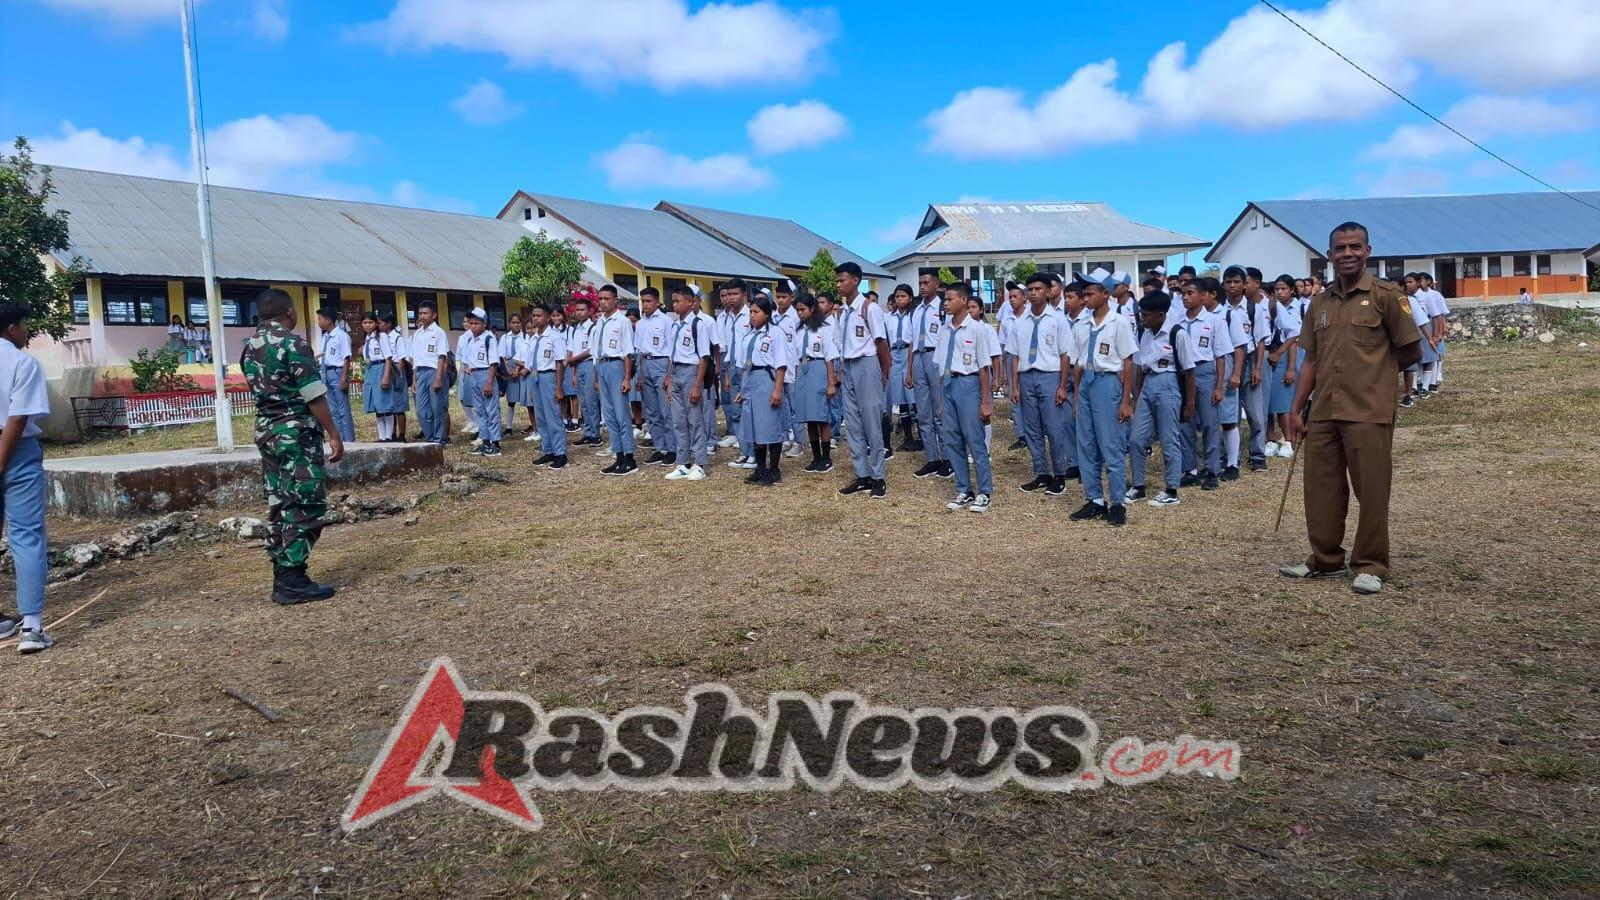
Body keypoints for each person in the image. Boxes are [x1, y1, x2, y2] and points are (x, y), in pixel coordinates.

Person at [1281, 222, 1422, 595]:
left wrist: (1376, 376)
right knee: (1321, 489)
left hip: (1368, 410)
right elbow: (1311, 360)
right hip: (1324, 410)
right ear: (1329, 255)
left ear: (1367, 251)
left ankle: (1371, 564)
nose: (1347, 253)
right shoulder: (1319, 303)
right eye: (1340, 248)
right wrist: (1296, 409)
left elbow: (1411, 350)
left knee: (1371, 491)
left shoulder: (1387, 296)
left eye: (1355, 246)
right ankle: (1325, 560)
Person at [239, 289, 346, 605]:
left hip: (266, 433)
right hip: (295, 434)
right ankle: (292, 578)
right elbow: (313, 395)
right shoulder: (293, 344)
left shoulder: (249, 348)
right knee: (306, 502)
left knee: (280, 501)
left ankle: (282, 574)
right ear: (289, 312)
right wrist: (334, 434)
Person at [0, 303, 54, 652]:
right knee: (26, 535)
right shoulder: (23, 362)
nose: (26, 332)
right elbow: (18, 418)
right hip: (16, 452)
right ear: (11, 328)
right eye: (24, 326)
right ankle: (31, 628)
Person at [1068, 269, 1138, 527]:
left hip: (1107, 383)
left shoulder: (1118, 323)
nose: (1085, 298)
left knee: (1111, 444)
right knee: (1086, 444)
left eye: (1090, 294)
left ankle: (1118, 502)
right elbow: (1077, 364)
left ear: (1106, 294)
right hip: (1086, 382)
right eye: (1083, 294)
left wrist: (1125, 401)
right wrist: (1077, 399)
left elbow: (1128, 361)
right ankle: (1095, 499)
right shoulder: (1082, 324)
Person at [1126, 291, 1195, 508]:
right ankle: (1138, 485)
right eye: (1141, 314)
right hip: (1148, 385)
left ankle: (1172, 489)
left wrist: (1189, 404)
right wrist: (1138, 396)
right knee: (1136, 439)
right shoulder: (1144, 334)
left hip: (1169, 384)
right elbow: (1140, 366)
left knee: (1169, 439)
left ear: (1161, 314)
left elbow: (1189, 371)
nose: (1142, 319)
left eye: (1146, 315)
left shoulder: (1177, 334)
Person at [935, 282, 997, 513]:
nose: (945, 303)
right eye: (944, 299)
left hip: (968, 384)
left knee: (975, 440)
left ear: (963, 300)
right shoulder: (944, 330)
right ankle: (964, 489)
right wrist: (942, 400)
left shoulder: (977, 329)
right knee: (952, 440)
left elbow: (984, 368)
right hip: (949, 384)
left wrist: (985, 401)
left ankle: (984, 492)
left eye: (950, 299)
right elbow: (940, 365)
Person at [834, 262, 892, 498]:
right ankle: (862, 475)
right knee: (853, 424)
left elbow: (881, 342)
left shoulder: (869, 308)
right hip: (848, 367)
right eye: (837, 281)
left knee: (871, 422)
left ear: (855, 281)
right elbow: (840, 344)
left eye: (842, 280)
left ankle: (878, 476)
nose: (838, 285)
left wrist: (884, 374)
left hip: (867, 365)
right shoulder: (841, 312)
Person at [1012, 274, 1073, 495]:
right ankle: (1041, 473)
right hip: (1027, 376)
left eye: (1038, 289)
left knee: (1055, 428)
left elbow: (1065, 355)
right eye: (1030, 289)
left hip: (1050, 376)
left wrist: (1062, 386)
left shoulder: (1058, 320)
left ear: (1048, 292)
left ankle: (1060, 474)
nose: (1033, 293)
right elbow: (1015, 356)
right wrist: (1015, 386)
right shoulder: (1020, 322)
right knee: (1032, 429)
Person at [1175, 280, 1229, 491]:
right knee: (1185, 423)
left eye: (1190, 293)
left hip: (1204, 371)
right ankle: (1190, 470)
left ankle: (1212, 470)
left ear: (1202, 295)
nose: (1186, 297)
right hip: (1183, 374)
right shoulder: (1178, 321)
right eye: (1183, 294)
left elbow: (1220, 355)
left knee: (1209, 423)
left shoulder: (1214, 321)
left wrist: (1219, 386)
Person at [733, 296, 792, 485]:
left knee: (770, 425)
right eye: (751, 312)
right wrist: (743, 389)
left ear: (767, 314)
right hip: (751, 379)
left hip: (767, 379)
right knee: (754, 426)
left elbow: (781, 364)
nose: (752, 315)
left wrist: (777, 389)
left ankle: (774, 470)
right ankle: (760, 468)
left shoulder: (775, 333)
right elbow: (743, 365)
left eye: (756, 312)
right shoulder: (748, 335)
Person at [663, 285, 713, 482]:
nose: (674, 305)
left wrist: (697, 385)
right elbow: (672, 354)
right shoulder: (674, 325)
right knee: (678, 420)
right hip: (676, 372)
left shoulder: (698, 325)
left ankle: (700, 463)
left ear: (690, 302)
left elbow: (703, 357)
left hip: (691, 372)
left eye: (678, 301)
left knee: (695, 420)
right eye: (673, 301)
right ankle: (683, 462)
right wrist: (669, 376)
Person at [907, 271, 951, 479]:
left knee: (940, 412)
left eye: (926, 283)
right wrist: (909, 370)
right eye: (920, 283)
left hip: (936, 358)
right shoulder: (916, 311)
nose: (922, 287)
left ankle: (948, 458)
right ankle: (932, 458)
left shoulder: (943, 309)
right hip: (919, 358)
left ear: (936, 284)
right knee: (923, 413)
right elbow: (911, 343)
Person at [792, 292, 839, 473]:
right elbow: (795, 357)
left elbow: (829, 356)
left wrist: (830, 382)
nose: (800, 313)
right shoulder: (798, 330)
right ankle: (816, 456)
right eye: (797, 310)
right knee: (808, 417)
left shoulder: (823, 328)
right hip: (803, 370)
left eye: (803, 309)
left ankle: (826, 457)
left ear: (812, 309)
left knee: (820, 416)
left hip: (818, 368)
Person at [594, 285, 638, 475]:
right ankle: (618, 455)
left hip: (616, 366)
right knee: (609, 415)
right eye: (600, 299)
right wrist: (596, 377)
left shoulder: (622, 322)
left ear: (615, 300)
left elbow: (628, 352)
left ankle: (629, 458)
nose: (603, 302)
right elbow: (596, 352)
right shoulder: (600, 322)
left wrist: (627, 378)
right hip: (602, 366)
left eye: (607, 299)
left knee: (621, 414)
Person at [521, 304, 569, 469]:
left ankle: (560, 453)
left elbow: (559, 363)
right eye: (533, 315)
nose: (535, 318)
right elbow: (529, 363)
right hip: (535, 377)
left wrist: (559, 387)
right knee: (540, 417)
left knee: (553, 416)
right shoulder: (533, 338)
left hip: (549, 377)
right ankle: (548, 450)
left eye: (539, 315)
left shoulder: (554, 337)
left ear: (547, 318)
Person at [635, 288, 676, 466]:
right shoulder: (640, 323)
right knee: (651, 411)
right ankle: (660, 448)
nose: (645, 304)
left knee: (665, 410)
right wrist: (639, 375)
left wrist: (669, 374)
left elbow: (672, 350)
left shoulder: (666, 321)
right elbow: (639, 350)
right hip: (645, 363)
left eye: (648, 301)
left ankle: (672, 448)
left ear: (657, 302)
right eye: (643, 301)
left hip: (661, 363)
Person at [1264, 274, 1302, 458]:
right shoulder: (1268, 309)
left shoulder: (1296, 308)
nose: (1279, 292)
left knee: (1282, 404)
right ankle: (1270, 439)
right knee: (1267, 403)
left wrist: (1290, 369)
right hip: (1267, 358)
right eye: (1276, 289)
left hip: (1283, 357)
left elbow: (1293, 340)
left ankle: (1288, 440)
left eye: (1283, 289)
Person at [458, 307, 502, 457]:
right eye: (471, 323)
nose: (473, 326)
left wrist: (489, 382)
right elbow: (466, 359)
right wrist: (468, 368)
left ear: (484, 324)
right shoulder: (470, 339)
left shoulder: (489, 339)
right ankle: (485, 441)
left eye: (476, 323)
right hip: (474, 375)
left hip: (486, 374)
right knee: (479, 410)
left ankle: (495, 443)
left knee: (491, 409)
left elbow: (494, 362)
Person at [716, 281, 752, 460]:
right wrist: (727, 376)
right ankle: (744, 452)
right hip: (731, 367)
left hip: (747, 368)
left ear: (744, 295)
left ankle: (753, 453)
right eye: (728, 294)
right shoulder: (727, 317)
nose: (730, 298)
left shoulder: (751, 315)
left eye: (734, 294)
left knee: (749, 411)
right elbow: (727, 347)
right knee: (735, 410)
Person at [361, 311, 407, 442]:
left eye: (370, 322)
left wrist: (386, 376)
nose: (367, 325)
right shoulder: (368, 338)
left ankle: (389, 436)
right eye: (365, 322)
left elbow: (388, 358)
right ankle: (381, 436)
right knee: (377, 405)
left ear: (376, 323)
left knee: (385, 403)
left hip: (381, 368)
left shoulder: (381, 337)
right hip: (371, 369)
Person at [408, 300, 450, 444]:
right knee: (421, 410)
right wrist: (414, 380)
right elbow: (415, 359)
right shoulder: (417, 334)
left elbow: (442, 357)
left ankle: (438, 439)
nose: (422, 316)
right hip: (420, 373)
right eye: (420, 313)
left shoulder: (439, 333)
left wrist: (438, 378)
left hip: (434, 372)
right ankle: (430, 436)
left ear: (434, 315)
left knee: (437, 407)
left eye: (425, 313)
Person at [315, 308, 357, 444]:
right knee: (332, 410)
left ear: (328, 320)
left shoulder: (341, 336)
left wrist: (344, 378)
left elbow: (346, 358)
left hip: (338, 372)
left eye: (320, 319)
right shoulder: (325, 337)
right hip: (326, 372)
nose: (318, 322)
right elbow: (325, 354)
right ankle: (339, 439)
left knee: (342, 408)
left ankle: (348, 439)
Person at [567, 298, 602, 447]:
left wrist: (572, 359)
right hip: (577, 366)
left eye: (582, 310)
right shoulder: (575, 329)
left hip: (589, 365)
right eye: (577, 310)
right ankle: (588, 433)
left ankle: (596, 434)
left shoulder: (593, 328)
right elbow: (571, 350)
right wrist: (573, 374)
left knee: (591, 401)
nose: (579, 313)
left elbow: (591, 351)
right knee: (584, 402)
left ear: (589, 311)